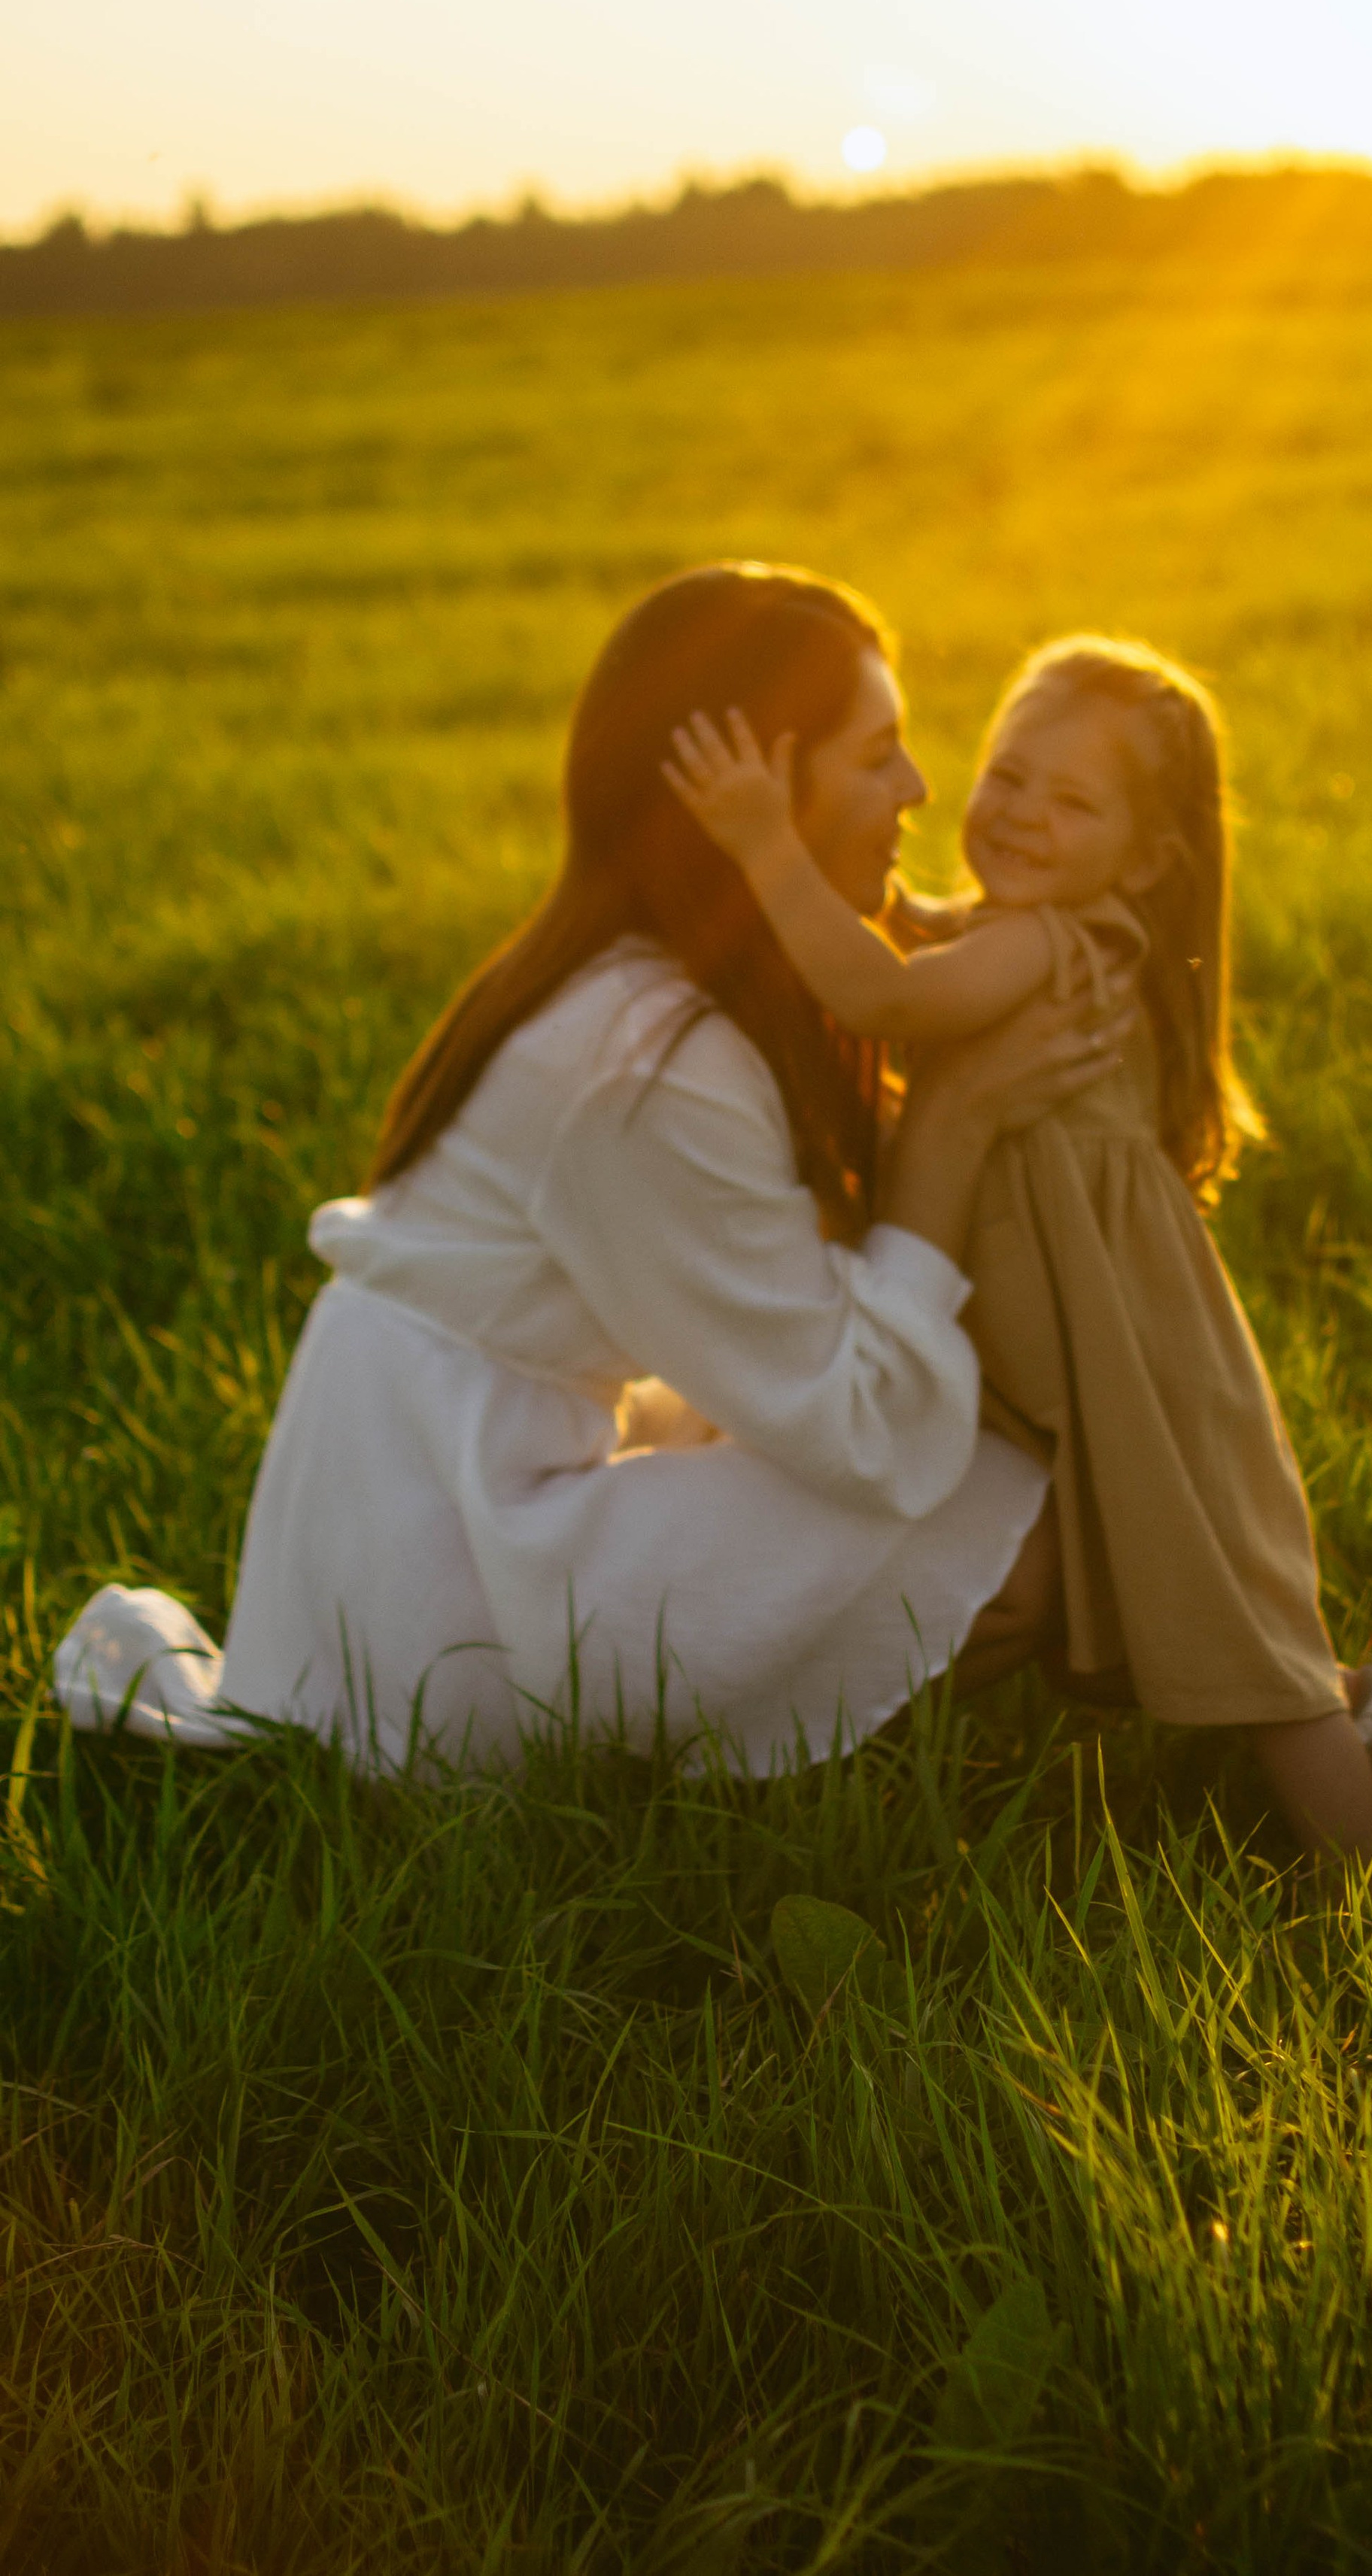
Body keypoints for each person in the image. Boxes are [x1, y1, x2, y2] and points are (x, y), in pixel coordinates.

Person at [55, 566, 1120, 1775]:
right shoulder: (643, 1056)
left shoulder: (657, 986)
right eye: (878, 754)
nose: (919, 789)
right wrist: (955, 1124)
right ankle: (778, 1780)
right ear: (758, 785)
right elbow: (869, 1433)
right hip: (450, 1579)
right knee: (999, 1529)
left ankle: (818, 1732)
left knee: (951, 1491)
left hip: (438, 1490)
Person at [664, 634, 1372, 1859]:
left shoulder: (1052, 945)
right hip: (1063, 1354)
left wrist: (767, 844)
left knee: (1231, 1617)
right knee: (1151, 1594)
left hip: (1127, 1358)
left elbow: (885, 997)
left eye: (1072, 801)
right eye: (1008, 776)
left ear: (1144, 861)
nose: (1022, 815)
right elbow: (908, 934)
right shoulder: (1012, 923)